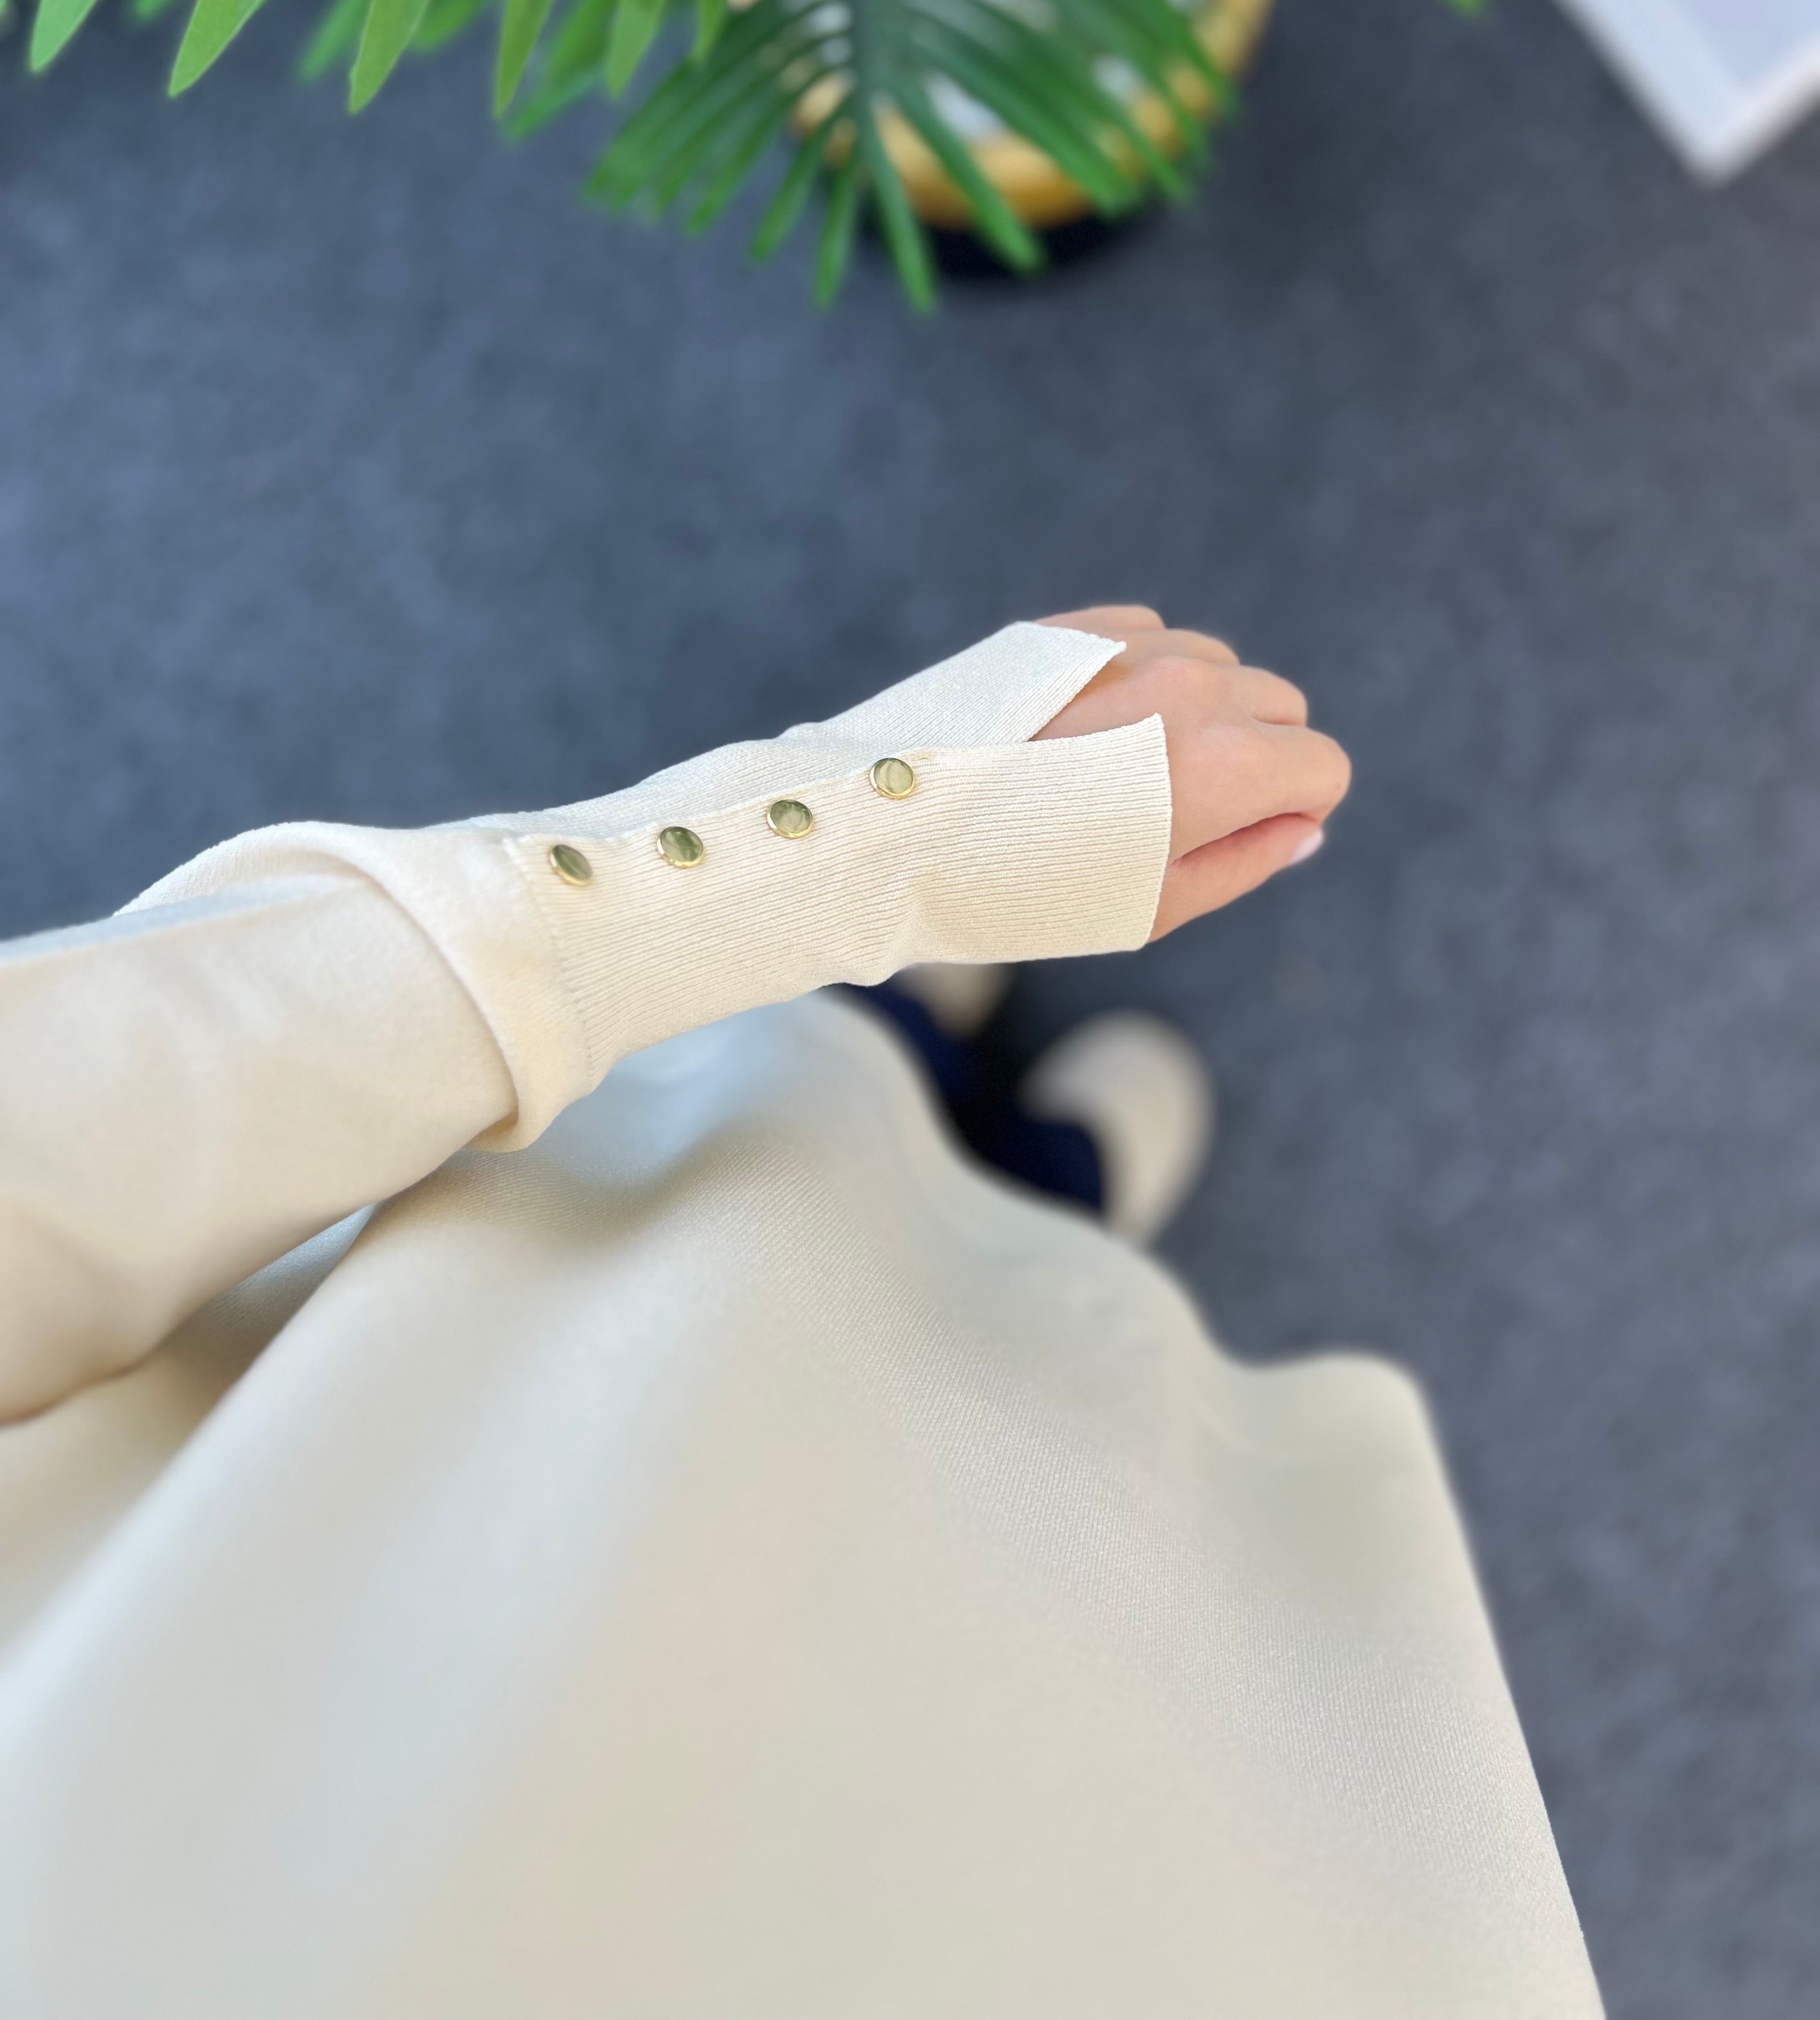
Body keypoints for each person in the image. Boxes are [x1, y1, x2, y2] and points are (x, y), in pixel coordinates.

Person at [0, 608, 1602, 2018]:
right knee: (986, 1463)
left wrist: (862, 837)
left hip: (415, 1431)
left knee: (745, 1198)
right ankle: (1037, 1186)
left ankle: (911, 1043)